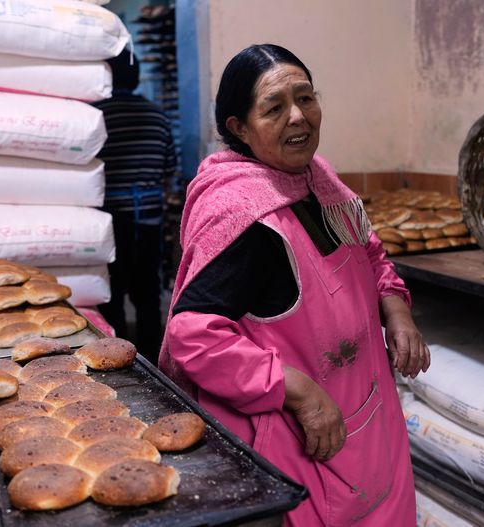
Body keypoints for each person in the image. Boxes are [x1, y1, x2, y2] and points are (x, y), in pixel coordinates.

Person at [159, 44, 430, 526]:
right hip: (300, 438)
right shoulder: (244, 214)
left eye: (306, 98)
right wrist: (298, 391)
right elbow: (192, 336)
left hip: (367, 415)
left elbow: (367, 248)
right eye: (274, 108)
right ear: (238, 128)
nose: (299, 117)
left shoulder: (318, 181)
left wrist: (396, 309)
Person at [93, 49, 177, 364]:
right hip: (149, 220)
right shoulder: (158, 116)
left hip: (109, 221)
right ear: (137, 76)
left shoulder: (96, 114)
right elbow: (168, 173)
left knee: (112, 292)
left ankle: (114, 357)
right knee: (147, 294)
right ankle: (153, 361)